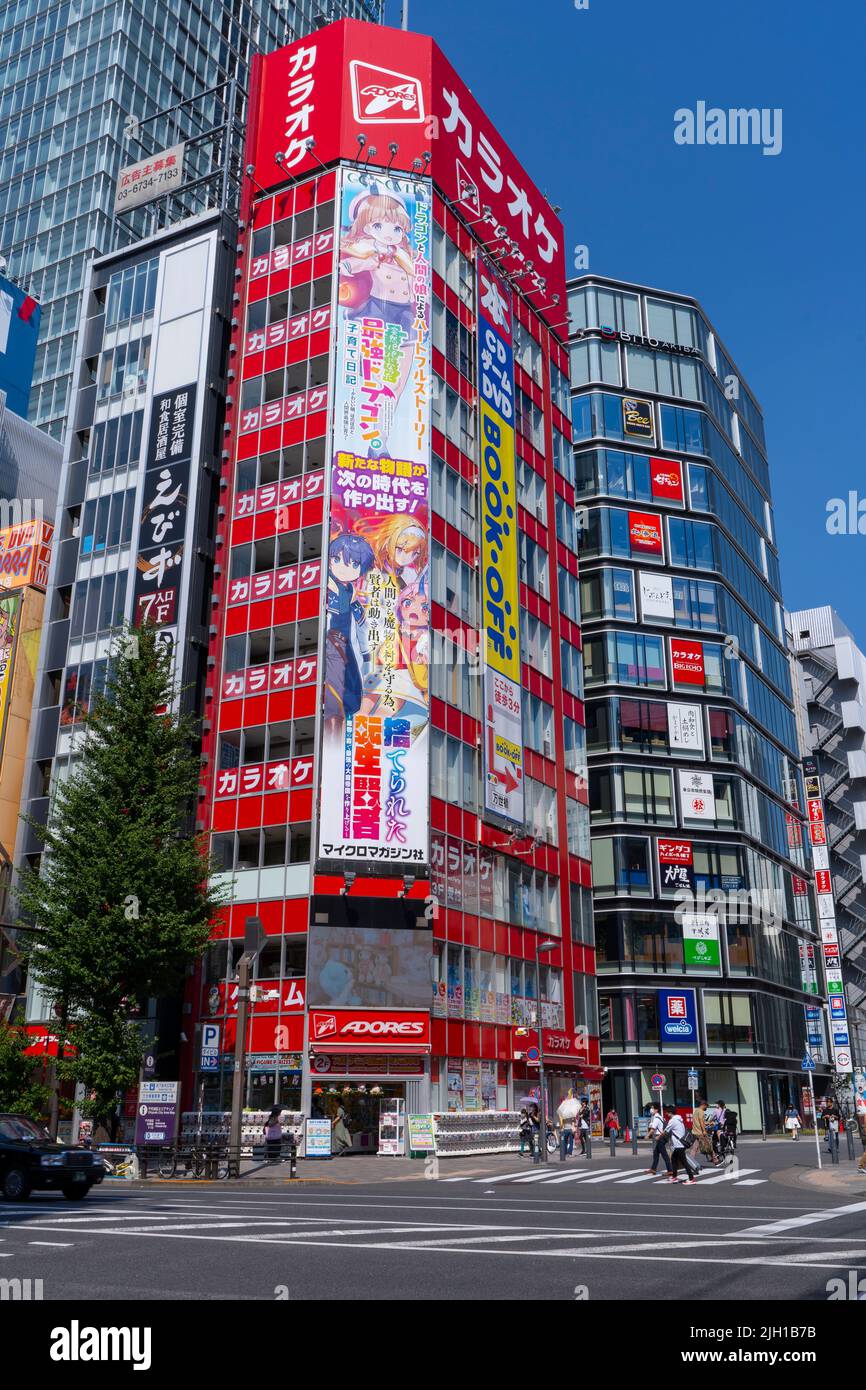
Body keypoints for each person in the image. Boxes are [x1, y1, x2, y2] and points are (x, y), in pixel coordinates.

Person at [665, 1109, 698, 1184]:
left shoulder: (673, 1120)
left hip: (679, 1144)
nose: (666, 1114)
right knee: (674, 1159)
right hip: (680, 1144)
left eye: (667, 1113)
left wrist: (659, 1137)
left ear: (670, 1113)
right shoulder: (679, 1119)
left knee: (684, 1162)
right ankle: (674, 1177)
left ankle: (691, 1178)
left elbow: (666, 1131)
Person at [690, 1099, 720, 1166]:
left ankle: (690, 1162)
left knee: (694, 1148)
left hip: (695, 1132)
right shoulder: (701, 1111)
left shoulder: (696, 1111)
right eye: (706, 1106)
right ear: (703, 1105)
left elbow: (700, 1122)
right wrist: (704, 1131)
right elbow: (701, 1121)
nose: (706, 1108)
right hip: (700, 1132)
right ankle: (716, 1160)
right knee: (709, 1146)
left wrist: (708, 1123)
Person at [645, 1104, 671, 1175]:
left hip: (660, 1137)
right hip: (663, 1136)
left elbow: (653, 1129)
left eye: (652, 1108)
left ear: (656, 1110)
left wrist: (647, 1135)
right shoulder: (660, 1117)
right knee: (656, 1153)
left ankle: (670, 1170)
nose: (651, 1109)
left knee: (664, 1154)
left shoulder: (656, 1118)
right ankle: (653, 1169)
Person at [557, 1089, 580, 1161]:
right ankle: (569, 1153)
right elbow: (573, 1121)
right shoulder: (572, 1114)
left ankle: (564, 1152)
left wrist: (562, 1127)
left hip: (565, 1129)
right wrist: (575, 1125)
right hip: (570, 1129)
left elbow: (562, 1122)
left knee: (565, 1142)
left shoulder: (563, 1114)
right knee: (571, 1142)